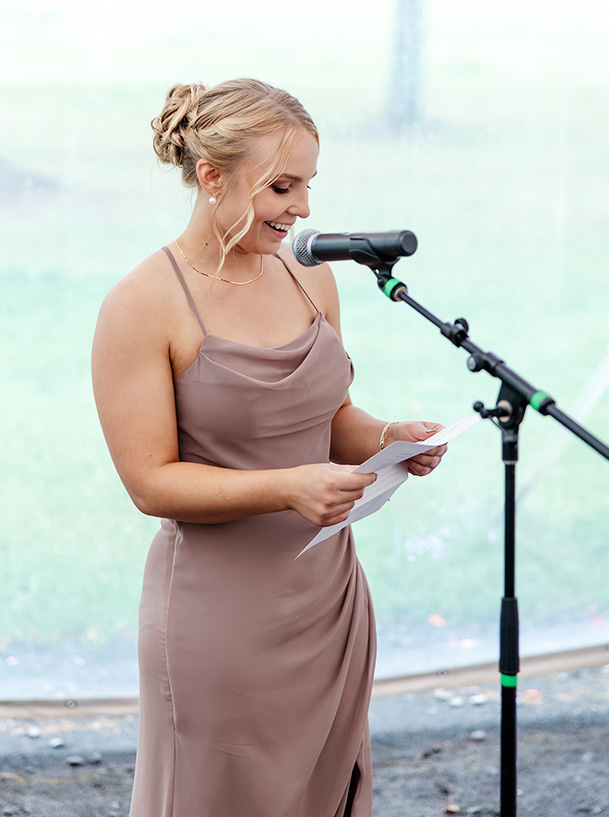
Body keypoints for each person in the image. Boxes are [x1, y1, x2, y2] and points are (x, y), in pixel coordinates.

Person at [91, 79, 447, 816]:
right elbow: (150, 483)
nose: (305, 209)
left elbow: (331, 415)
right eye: (283, 186)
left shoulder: (310, 273)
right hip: (218, 623)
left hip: (326, 602)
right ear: (211, 176)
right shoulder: (142, 304)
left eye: (310, 186)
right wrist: (288, 487)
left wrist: (388, 437)